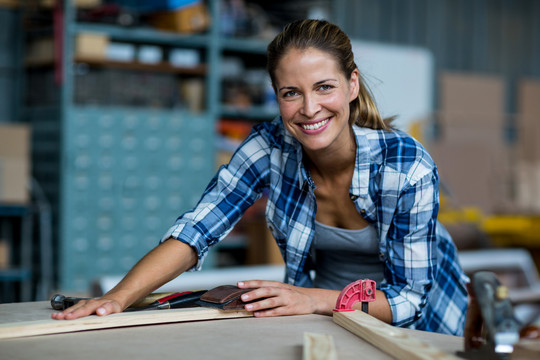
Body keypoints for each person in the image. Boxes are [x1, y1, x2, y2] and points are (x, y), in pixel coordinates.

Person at [52, 19, 469, 336]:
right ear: (276, 96)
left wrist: (312, 300)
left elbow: (410, 299)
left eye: (324, 87)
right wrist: (117, 299)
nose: (309, 108)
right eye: (291, 93)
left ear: (352, 85)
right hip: (327, 315)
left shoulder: (406, 165)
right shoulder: (268, 147)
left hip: (417, 321)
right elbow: (196, 230)